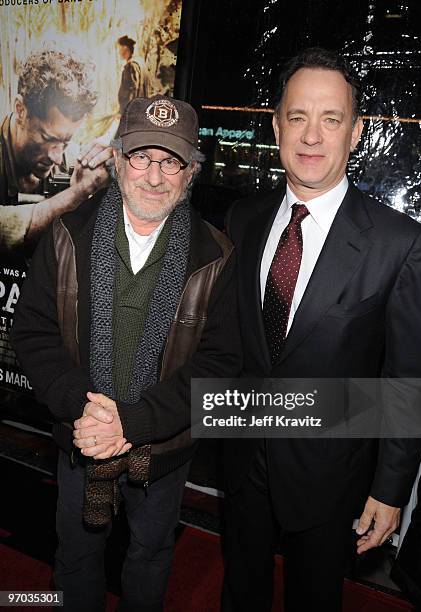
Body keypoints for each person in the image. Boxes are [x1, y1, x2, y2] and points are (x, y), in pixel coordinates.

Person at [222, 47, 421, 612]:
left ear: (356, 130)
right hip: (242, 461)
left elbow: (410, 378)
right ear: (275, 126)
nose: (312, 135)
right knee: (239, 590)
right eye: (297, 117)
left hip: (330, 479)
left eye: (331, 118)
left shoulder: (400, 244)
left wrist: (390, 491)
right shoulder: (242, 220)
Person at [11, 94, 241, 612]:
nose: (154, 175)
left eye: (171, 161)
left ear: (192, 172)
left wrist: (133, 422)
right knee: (74, 556)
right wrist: (86, 410)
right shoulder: (67, 234)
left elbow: (219, 366)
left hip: (162, 452)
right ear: (116, 160)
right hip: (81, 436)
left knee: (150, 556)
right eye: (141, 156)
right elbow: (33, 332)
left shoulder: (217, 256)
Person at [0, 48, 112, 253]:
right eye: (47, 138)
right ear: (20, 109)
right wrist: (77, 194)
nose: (57, 157)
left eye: (66, 142)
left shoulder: (73, 161)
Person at [117, 35, 143, 115]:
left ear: (125, 48)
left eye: (120, 48)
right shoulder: (137, 63)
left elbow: (133, 90)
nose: (119, 52)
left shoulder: (131, 66)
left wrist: (128, 111)